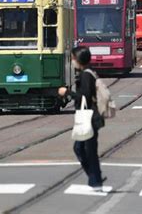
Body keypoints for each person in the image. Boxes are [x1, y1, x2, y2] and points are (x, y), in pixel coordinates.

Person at [58, 47, 105, 192]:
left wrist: (67, 92)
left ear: (78, 59)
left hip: (89, 117)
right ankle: (95, 178)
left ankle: (95, 180)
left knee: (86, 150)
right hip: (89, 117)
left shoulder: (86, 75)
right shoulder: (88, 73)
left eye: (73, 58)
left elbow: (83, 96)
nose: (72, 61)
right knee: (84, 149)